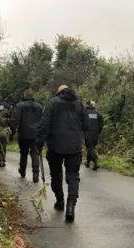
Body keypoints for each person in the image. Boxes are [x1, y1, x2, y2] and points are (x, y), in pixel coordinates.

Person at [36, 85, 90, 222]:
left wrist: (39, 143)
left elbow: (44, 123)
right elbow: (86, 125)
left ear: (59, 92)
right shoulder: (80, 103)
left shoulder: (53, 102)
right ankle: (71, 206)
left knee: (56, 175)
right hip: (74, 146)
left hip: (55, 145)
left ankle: (60, 201)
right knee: (73, 176)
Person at [10, 89, 44, 183]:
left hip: (23, 133)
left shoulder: (20, 105)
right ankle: (36, 174)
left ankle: (22, 170)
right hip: (35, 134)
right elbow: (43, 121)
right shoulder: (40, 106)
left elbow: (15, 119)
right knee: (35, 153)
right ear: (33, 97)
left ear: (24, 96)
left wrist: (12, 132)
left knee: (23, 153)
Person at [84, 100, 104, 171]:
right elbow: (101, 123)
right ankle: (88, 163)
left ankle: (96, 162)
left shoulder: (85, 113)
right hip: (95, 133)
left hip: (88, 133)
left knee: (90, 148)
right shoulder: (97, 113)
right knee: (91, 148)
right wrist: (98, 131)